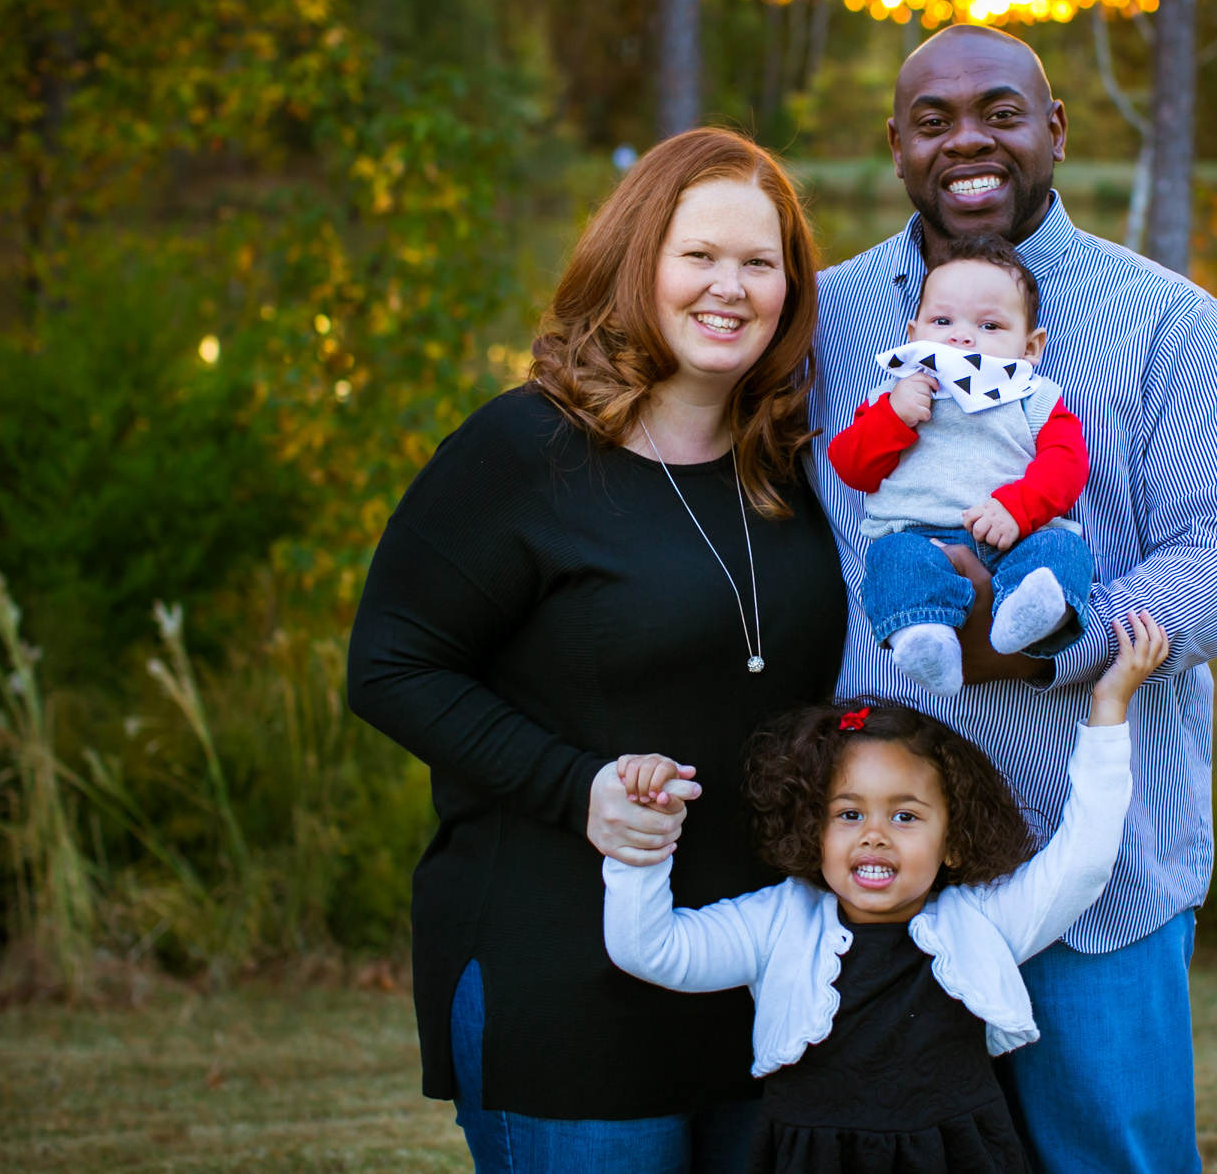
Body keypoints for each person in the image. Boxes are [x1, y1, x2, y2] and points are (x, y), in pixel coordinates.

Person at [808, 24, 1217, 1174]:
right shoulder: (818, 324)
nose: (967, 139)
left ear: (1055, 130)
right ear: (895, 147)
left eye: (1000, 111)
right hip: (880, 876)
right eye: (933, 120)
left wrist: (1049, 645)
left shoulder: (1168, 321)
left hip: (1097, 871)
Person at [347, 128, 850, 1174]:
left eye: (759, 263)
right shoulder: (525, 451)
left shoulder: (794, 465)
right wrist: (577, 788)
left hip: (761, 982)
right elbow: (392, 665)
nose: (730, 288)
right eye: (697, 256)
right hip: (561, 979)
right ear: (635, 263)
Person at [601, 612, 1171, 1174]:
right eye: (848, 813)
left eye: (904, 815)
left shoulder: (980, 924)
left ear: (952, 840)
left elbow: (1085, 859)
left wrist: (1109, 711)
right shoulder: (776, 924)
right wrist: (640, 844)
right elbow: (650, 950)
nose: (874, 833)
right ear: (813, 831)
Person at [826, 232, 1093, 697]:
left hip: (1016, 534)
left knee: (1064, 552)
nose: (962, 335)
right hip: (917, 535)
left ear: (1030, 348)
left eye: (990, 326)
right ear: (914, 334)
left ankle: (1029, 612)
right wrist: (893, 416)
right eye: (943, 319)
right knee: (893, 561)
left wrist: (1019, 507)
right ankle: (925, 638)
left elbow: (1067, 463)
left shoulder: (1032, 395)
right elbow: (851, 467)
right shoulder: (893, 397)